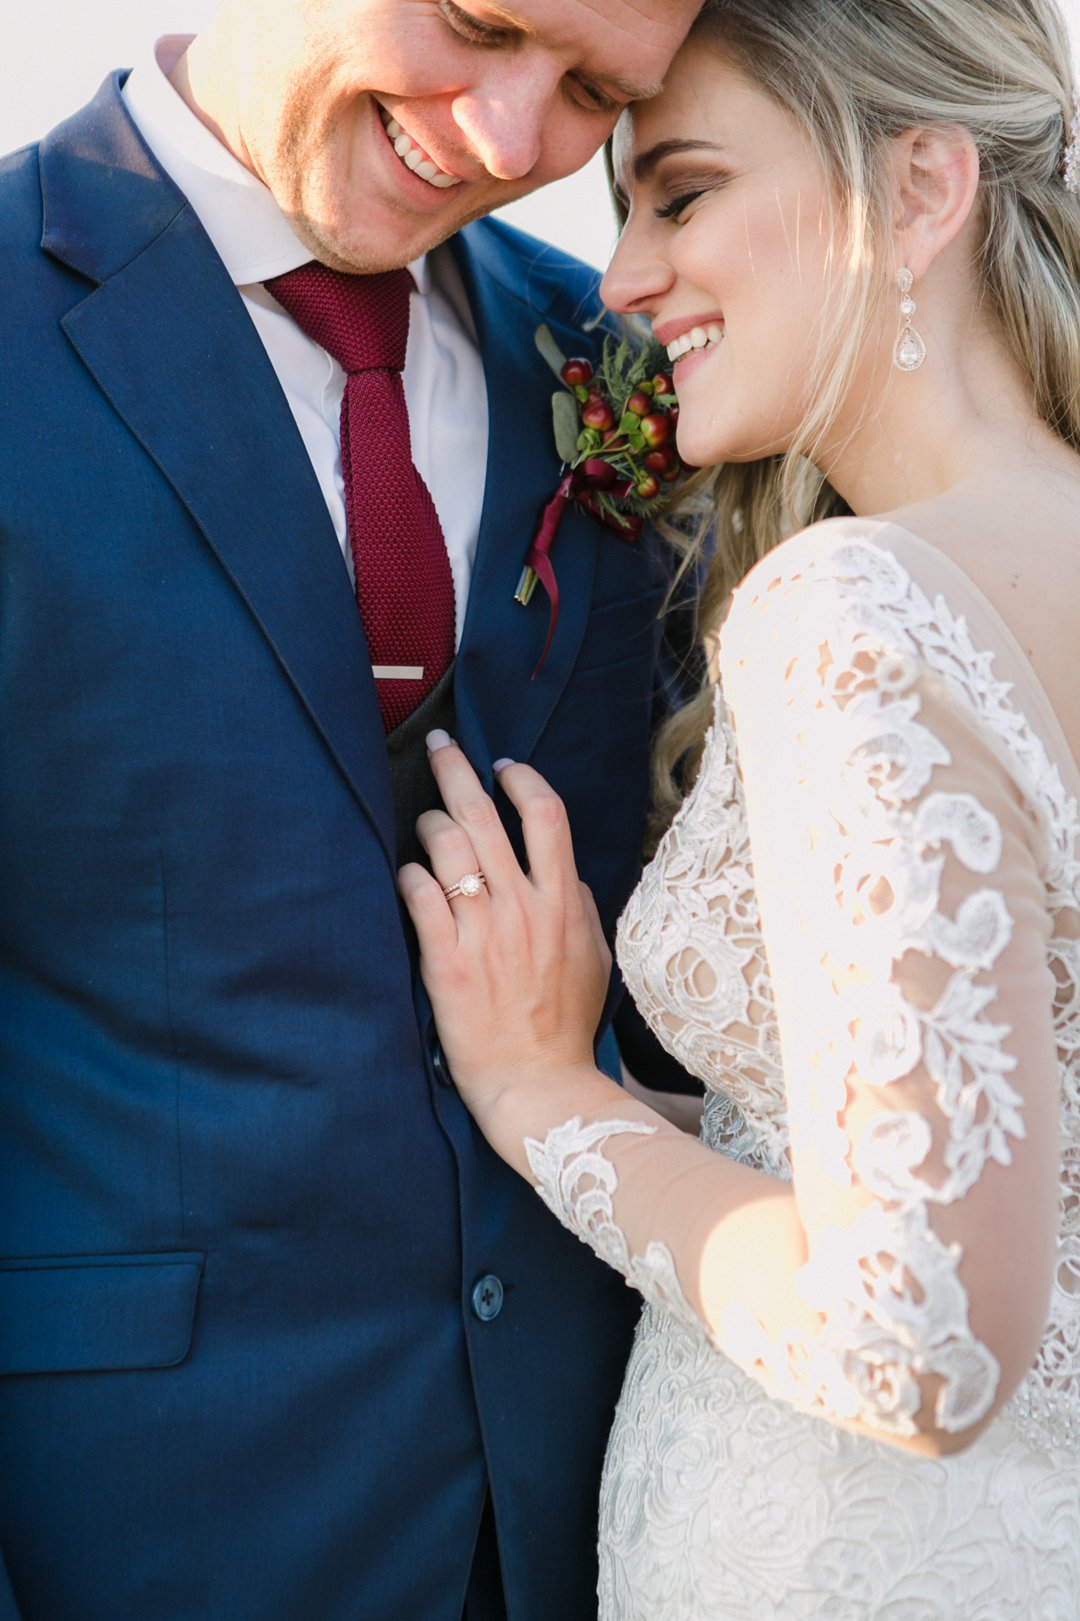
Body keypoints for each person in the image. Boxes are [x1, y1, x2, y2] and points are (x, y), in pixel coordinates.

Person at [0, 3, 704, 1618]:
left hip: (605, 1530)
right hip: (135, 1535)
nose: (513, 140)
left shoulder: (622, 358)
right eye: (477, 21)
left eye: (593, 91)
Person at [401, 0, 1080, 1613]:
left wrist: (541, 1092)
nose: (621, 281)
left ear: (919, 189)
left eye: (683, 194)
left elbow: (914, 1328)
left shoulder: (857, 608)